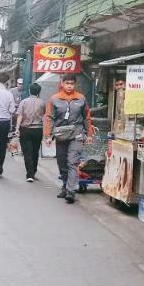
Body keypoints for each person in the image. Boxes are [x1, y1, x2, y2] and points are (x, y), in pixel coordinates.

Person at [45, 75, 92, 203]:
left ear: (75, 84)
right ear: (62, 83)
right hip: (61, 134)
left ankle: (71, 191)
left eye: (72, 83)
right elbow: (50, 118)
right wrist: (48, 136)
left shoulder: (81, 98)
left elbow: (86, 117)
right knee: (61, 161)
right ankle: (65, 186)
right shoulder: (54, 99)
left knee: (72, 162)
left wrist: (89, 134)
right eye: (67, 83)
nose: (69, 86)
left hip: (77, 134)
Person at [14, 82, 45, 182]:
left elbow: (20, 116)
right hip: (38, 130)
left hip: (25, 130)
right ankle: (34, 171)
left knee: (27, 152)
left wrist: (17, 128)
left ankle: (30, 174)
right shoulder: (42, 103)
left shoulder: (24, 102)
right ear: (39, 92)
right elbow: (44, 116)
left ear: (29, 91)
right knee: (35, 152)